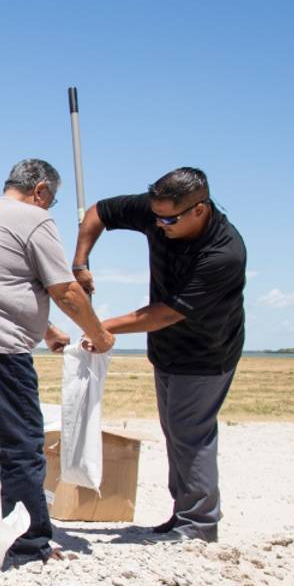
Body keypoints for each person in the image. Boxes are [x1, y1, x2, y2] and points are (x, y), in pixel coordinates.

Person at [0, 159, 115, 561]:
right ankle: (27, 544)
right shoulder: (33, 218)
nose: (50, 207)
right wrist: (99, 335)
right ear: (41, 189)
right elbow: (65, 291)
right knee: (22, 446)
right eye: (52, 200)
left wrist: (47, 332)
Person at [72, 167, 245, 543]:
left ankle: (198, 525)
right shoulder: (158, 210)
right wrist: (81, 262)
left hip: (206, 352)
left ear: (199, 209)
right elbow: (98, 213)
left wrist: (101, 327)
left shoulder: (223, 254)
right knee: (176, 432)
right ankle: (183, 514)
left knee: (190, 434)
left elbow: (165, 313)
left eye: (169, 219)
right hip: (166, 349)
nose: (160, 224)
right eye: (156, 216)